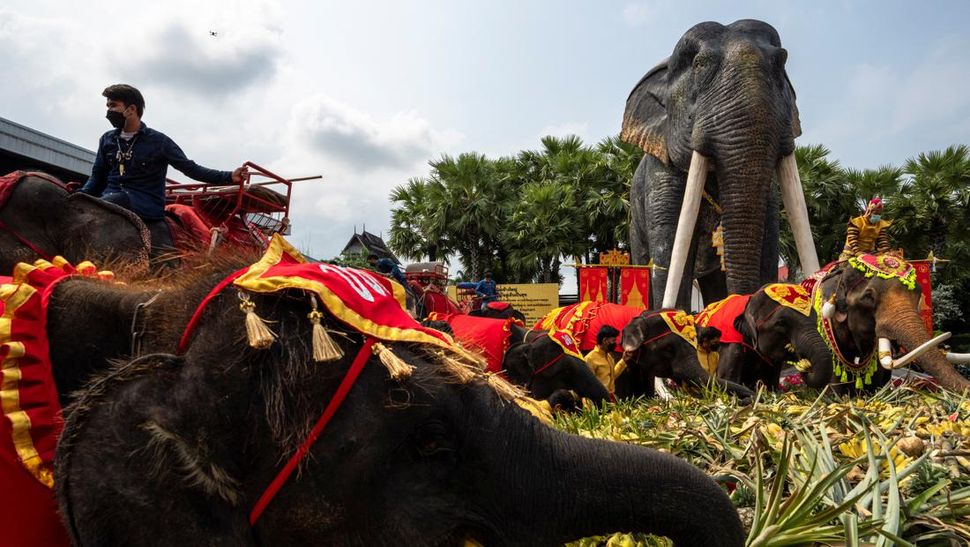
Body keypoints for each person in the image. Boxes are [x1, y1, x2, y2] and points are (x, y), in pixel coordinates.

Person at [80, 84, 245, 223]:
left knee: (109, 203)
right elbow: (97, 176)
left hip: (144, 204)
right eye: (108, 106)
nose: (109, 111)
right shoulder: (107, 139)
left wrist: (229, 176)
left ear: (131, 109)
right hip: (109, 198)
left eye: (114, 106)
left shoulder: (159, 142)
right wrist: (80, 196)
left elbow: (190, 168)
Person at [584, 326, 626, 393]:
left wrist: (624, 360)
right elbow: (587, 384)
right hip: (596, 401)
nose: (615, 343)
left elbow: (612, 376)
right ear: (605, 340)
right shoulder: (590, 359)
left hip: (609, 399)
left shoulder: (609, 356)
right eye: (613, 340)